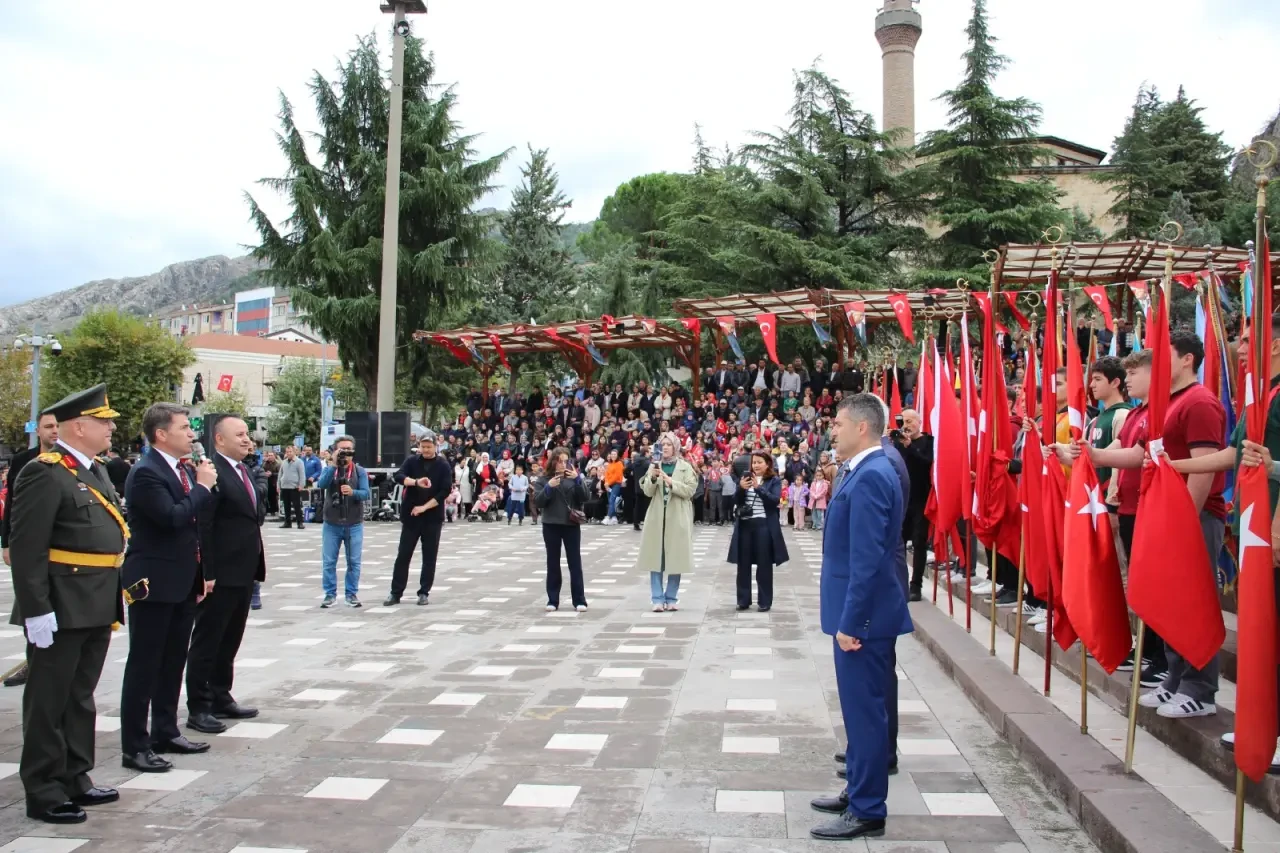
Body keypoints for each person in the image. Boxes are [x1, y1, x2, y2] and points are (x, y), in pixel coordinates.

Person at [1073, 332, 1226, 718]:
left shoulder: (1200, 401)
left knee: (1192, 599)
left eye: (1164, 357)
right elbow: (1140, 454)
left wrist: (1183, 523)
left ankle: (1200, 688)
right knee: (1169, 598)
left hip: (1193, 517)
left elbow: (1203, 466)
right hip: (1162, 517)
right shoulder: (1165, 405)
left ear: (1187, 360)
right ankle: (1175, 677)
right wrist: (1090, 453)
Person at [9, 385, 128, 824]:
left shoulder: (93, 470)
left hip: (96, 599)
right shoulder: (45, 472)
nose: (111, 428)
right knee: (48, 699)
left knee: (80, 696)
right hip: (60, 603)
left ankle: (75, 774)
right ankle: (43, 788)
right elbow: (27, 549)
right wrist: (36, 609)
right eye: (104, 421)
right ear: (80, 426)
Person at [810, 394, 912, 841]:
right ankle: (858, 789)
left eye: (838, 423)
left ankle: (868, 807)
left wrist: (851, 622)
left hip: (864, 620)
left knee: (865, 714)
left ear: (863, 428)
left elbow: (868, 560)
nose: (832, 430)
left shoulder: (872, 475)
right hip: (861, 615)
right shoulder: (863, 469)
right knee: (858, 713)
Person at [185, 415, 266, 736]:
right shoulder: (211, 472)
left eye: (248, 434)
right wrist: (207, 571)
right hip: (220, 573)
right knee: (208, 640)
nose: (248, 440)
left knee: (231, 638)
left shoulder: (242, 469)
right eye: (240, 434)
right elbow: (204, 524)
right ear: (219, 440)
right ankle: (199, 705)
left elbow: (254, 515)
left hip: (244, 570)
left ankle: (221, 694)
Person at [0, 411, 59, 689]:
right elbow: (12, 504)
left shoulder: (70, 459)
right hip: (29, 544)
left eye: (58, 426)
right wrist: (6, 542)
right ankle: (30, 659)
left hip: (59, 549)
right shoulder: (25, 460)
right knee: (30, 604)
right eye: (48, 426)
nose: (54, 431)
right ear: (38, 430)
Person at [385, 434, 451, 607]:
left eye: (429, 446)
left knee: (429, 557)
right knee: (403, 555)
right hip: (411, 517)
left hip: (432, 517)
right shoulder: (412, 461)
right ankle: (395, 592)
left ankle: (423, 592)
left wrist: (424, 507)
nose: (426, 450)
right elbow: (398, 476)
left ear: (436, 446)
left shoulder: (443, 465)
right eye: (423, 446)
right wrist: (415, 482)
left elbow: (445, 491)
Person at [638, 433, 697, 612]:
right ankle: (657, 598)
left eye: (668, 444)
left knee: (675, 558)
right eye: (662, 444)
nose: (664, 448)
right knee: (655, 557)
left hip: (678, 516)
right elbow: (647, 492)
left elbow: (690, 490)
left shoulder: (685, 467)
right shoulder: (654, 466)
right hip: (657, 516)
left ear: (676, 447)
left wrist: (671, 482)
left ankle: (671, 598)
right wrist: (654, 477)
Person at [728, 451, 789, 612]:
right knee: (743, 565)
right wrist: (741, 489)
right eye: (754, 462)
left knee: (764, 565)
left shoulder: (774, 480)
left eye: (759, 462)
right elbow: (735, 500)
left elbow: (774, 501)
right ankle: (743, 600)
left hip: (764, 526)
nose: (756, 465)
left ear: (767, 464)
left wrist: (758, 488)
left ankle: (764, 601)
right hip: (745, 526)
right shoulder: (745, 479)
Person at [317, 436, 371, 608]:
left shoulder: (359, 471)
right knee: (329, 561)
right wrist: (333, 464)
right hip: (331, 522)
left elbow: (366, 493)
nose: (345, 454)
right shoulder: (330, 469)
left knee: (354, 561)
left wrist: (352, 492)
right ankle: (330, 594)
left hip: (354, 523)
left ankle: (351, 594)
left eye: (349, 450)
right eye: (342, 450)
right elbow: (321, 484)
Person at [534, 448, 589, 612]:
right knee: (552, 562)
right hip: (551, 524)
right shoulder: (543, 479)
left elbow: (586, 497)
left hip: (571, 524)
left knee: (575, 563)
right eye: (559, 460)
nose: (563, 464)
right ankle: (552, 599)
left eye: (566, 460)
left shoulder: (573, 478)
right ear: (553, 462)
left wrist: (578, 480)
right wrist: (548, 487)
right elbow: (538, 502)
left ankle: (579, 600)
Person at [277, 445, 306, 530]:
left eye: (290, 451)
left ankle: (300, 522)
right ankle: (287, 522)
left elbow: (302, 474)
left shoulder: (299, 462)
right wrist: (278, 485)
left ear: (294, 452)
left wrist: (301, 485)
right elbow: (280, 474)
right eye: (287, 452)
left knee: (297, 506)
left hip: (294, 487)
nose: (289, 453)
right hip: (284, 487)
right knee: (286, 506)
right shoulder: (284, 462)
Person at [809, 467, 830, 531]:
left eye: (820, 475)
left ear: (823, 476)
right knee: (814, 513)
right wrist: (814, 495)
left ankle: (819, 525)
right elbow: (811, 490)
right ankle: (814, 524)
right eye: (817, 475)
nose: (818, 477)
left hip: (820, 500)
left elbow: (824, 491)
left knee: (820, 514)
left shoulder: (824, 484)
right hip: (813, 500)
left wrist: (817, 496)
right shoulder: (813, 483)